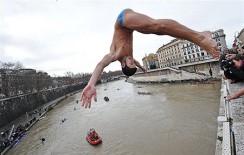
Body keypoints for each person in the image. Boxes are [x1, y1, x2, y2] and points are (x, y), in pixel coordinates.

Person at [81, 8, 220, 108]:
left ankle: (201, 37)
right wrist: (143, 69)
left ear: (123, 65)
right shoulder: (129, 59)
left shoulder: (114, 54)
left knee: (156, 25)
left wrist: (92, 83)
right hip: (129, 26)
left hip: (123, 20)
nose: (132, 60)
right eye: (133, 63)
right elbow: (135, 63)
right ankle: (200, 36)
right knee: (160, 31)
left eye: (131, 63)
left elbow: (100, 65)